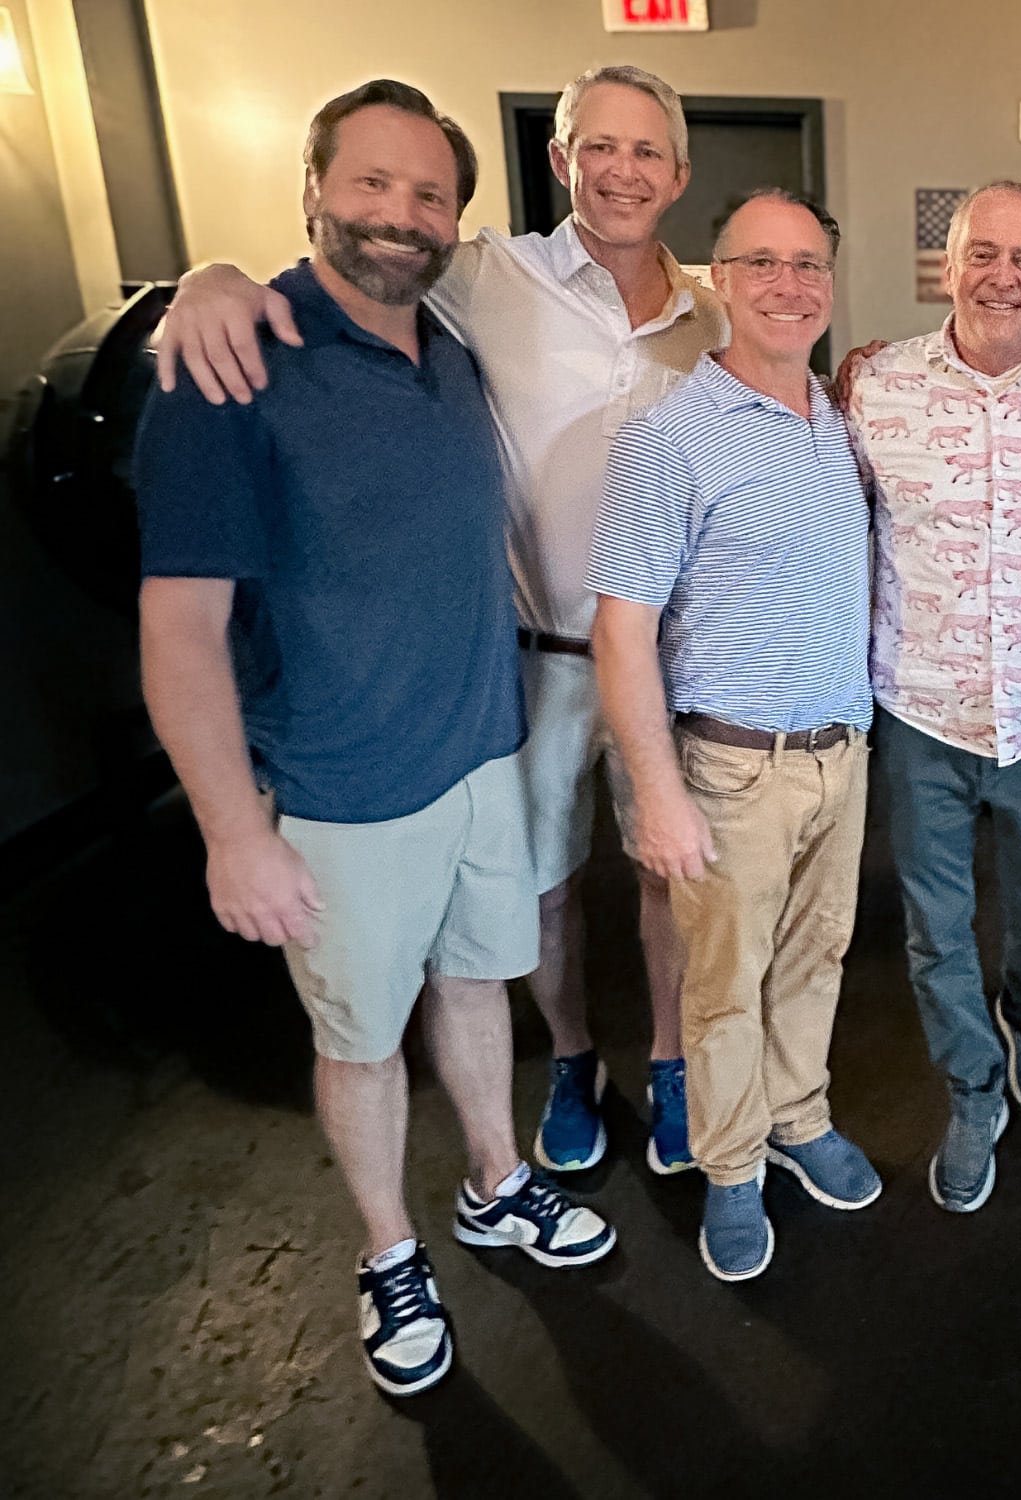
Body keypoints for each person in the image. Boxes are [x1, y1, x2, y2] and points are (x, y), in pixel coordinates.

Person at [152, 65, 725, 1178]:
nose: (621, 169)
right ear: (560, 161)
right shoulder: (479, 274)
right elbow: (345, 273)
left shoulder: (710, 309)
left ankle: (668, 1061)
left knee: (670, 879)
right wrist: (208, 277)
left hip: (665, 658)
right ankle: (569, 1057)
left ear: (678, 175)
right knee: (546, 887)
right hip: (538, 661)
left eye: (646, 151)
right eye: (597, 146)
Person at [133, 80, 614, 1398]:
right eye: (372, 185)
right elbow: (178, 627)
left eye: (429, 195)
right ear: (314, 189)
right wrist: (234, 830)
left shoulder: (444, 348)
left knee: (474, 987)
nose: (401, 216)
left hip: (480, 759)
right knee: (357, 1037)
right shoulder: (232, 366)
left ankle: (493, 1181)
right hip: (347, 793)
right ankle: (389, 1253)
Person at [590, 190, 878, 1282]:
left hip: (838, 757)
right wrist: (656, 792)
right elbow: (621, 634)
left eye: (808, 264)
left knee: (816, 961)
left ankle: (799, 1120)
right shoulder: (668, 435)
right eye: (762, 263)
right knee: (722, 987)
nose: (789, 286)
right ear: (719, 278)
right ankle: (729, 1167)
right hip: (727, 767)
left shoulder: (834, 424)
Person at [845, 182, 1021, 1212]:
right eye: (981, 254)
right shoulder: (875, 389)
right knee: (935, 926)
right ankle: (969, 1089)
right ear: (946, 265)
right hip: (918, 710)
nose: (1001, 277)